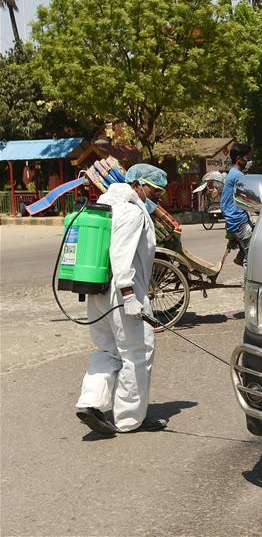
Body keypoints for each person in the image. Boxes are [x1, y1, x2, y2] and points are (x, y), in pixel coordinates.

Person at [74, 163, 169, 435]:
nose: (158, 195)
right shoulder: (131, 211)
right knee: (138, 353)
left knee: (109, 352)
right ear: (138, 183)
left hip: (98, 292)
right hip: (122, 292)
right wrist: (129, 294)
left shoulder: (107, 205)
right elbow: (121, 252)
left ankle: (89, 402)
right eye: (155, 189)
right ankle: (129, 420)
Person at [221, 144, 254, 266]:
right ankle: (249, 282)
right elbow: (250, 197)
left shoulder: (232, 173)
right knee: (252, 256)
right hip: (238, 219)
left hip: (235, 217)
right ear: (239, 159)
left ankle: (241, 257)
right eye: (247, 158)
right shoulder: (238, 176)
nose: (249, 162)